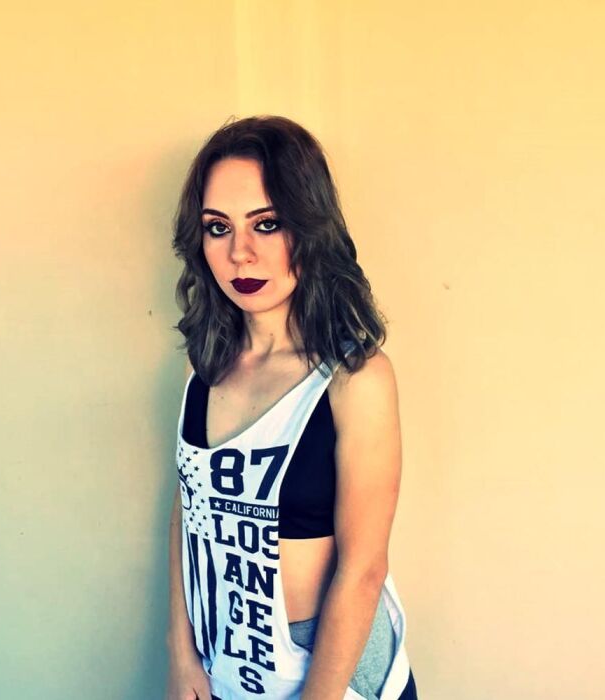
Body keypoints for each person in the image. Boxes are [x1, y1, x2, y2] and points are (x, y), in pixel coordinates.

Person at [166, 115, 417, 700]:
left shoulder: (355, 379)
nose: (241, 253)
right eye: (218, 228)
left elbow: (363, 569)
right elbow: (189, 508)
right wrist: (181, 655)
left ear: (309, 226)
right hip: (223, 660)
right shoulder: (203, 367)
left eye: (267, 223)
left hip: (328, 668)